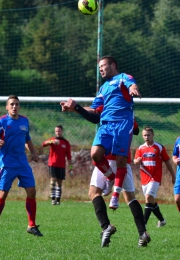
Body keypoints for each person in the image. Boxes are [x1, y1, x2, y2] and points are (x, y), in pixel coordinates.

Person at [60, 99, 151, 248]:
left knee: (94, 193)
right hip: (123, 159)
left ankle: (106, 226)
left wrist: (75, 108)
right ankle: (142, 233)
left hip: (106, 159)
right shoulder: (125, 110)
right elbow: (135, 129)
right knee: (130, 198)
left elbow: (95, 113)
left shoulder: (109, 105)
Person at [63, 56, 141, 213]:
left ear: (113, 65)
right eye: (99, 67)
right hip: (106, 125)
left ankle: (115, 195)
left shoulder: (122, 78)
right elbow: (94, 111)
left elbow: (131, 82)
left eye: (103, 66)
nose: (100, 69)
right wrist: (75, 108)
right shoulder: (103, 88)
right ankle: (111, 178)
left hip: (122, 124)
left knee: (121, 160)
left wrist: (133, 88)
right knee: (95, 154)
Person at [0, 95, 43, 237]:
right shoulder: (2, 121)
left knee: (32, 191)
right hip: (7, 163)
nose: (14, 106)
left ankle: (31, 225)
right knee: (3, 194)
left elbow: (27, 139)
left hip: (22, 162)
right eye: (11, 104)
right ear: (7, 107)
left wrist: (34, 154)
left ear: (19, 106)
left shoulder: (24, 121)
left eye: (17, 104)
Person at [134, 126, 175, 227]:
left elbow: (167, 162)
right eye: (144, 135)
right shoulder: (140, 148)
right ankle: (162, 220)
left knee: (148, 197)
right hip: (144, 178)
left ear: (153, 135)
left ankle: (144, 223)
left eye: (148, 135)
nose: (146, 137)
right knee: (151, 201)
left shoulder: (159, 147)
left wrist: (173, 176)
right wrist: (137, 161)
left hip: (155, 177)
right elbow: (135, 161)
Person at [42, 125, 72, 205]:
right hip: (52, 164)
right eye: (56, 131)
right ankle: (53, 199)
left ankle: (58, 200)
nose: (57, 133)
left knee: (59, 183)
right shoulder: (53, 140)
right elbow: (43, 144)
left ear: (62, 131)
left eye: (59, 131)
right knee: (53, 180)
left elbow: (69, 156)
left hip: (61, 165)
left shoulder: (66, 142)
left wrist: (71, 167)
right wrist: (51, 142)